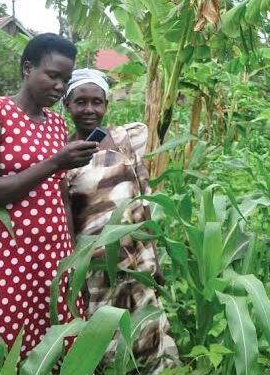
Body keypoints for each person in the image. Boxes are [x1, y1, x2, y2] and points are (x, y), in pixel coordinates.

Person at [0, 33, 99, 358]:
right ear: (27, 68)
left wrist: (71, 249)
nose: (59, 86)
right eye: (52, 75)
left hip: (54, 254)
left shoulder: (55, 124)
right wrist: (54, 162)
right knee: (12, 347)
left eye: (65, 80)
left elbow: (60, 193)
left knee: (59, 342)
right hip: (9, 255)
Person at [63, 68, 178, 373]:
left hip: (136, 258)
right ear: (67, 105)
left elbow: (144, 194)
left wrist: (153, 253)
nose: (90, 109)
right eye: (80, 102)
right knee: (104, 339)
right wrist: (78, 259)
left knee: (148, 330)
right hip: (95, 264)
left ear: (106, 105)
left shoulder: (127, 138)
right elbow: (64, 218)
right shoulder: (62, 155)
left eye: (97, 102)